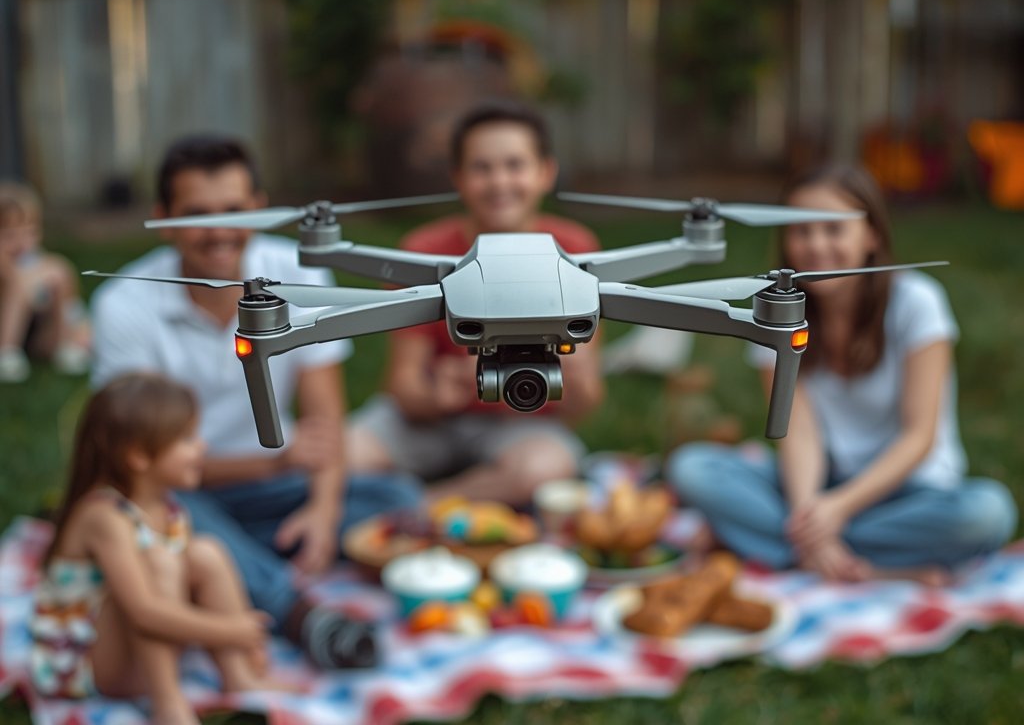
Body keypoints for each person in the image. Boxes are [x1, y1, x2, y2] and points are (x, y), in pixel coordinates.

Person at [91, 135, 421, 669]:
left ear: (260, 210)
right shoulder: (123, 303)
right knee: (155, 513)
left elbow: (325, 417)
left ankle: (228, 558)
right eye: (197, 215)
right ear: (164, 220)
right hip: (178, 489)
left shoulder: (298, 271)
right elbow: (143, 464)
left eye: (235, 211)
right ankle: (300, 615)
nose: (220, 231)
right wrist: (276, 463)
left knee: (397, 497)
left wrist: (323, 510)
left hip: (273, 489)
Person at [668, 163, 1017, 584]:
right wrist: (810, 513)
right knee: (692, 467)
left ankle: (780, 547)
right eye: (801, 230)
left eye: (834, 229)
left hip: (909, 491)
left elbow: (919, 437)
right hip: (818, 482)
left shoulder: (917, 302)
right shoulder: (773, 314)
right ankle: (872, 565)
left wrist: (838, 510)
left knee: (988, 512)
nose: (816, 245)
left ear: (872, 235)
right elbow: (799, 435)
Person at [346, 101, 606, 506]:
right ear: (459, 177)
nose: (499, 182)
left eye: (515, 165)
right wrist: (437, 394)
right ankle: (458, 498)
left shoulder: (576, 249)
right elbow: (403, 386)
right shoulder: (423, 252)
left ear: (545, 172)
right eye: (482, 167)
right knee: (344, 455)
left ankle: (418, 506)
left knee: (546, 468)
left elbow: (584, 401)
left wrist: (574, 374)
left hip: (522, 423)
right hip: (433, 422)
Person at [32, 373, 283, 725]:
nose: (201, 447)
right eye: (187, 438)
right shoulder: (104, 516)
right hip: (86, 666)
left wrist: (247, 645)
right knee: (161, 562)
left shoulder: (170, 508)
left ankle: (238, 675)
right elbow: (144, 612)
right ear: (138, 455)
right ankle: (169, 706)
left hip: (140, 654)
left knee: (205, 552)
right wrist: (231, 630)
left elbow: (191, 587)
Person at [0, 181, 91, 382]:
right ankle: (6, 352)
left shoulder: (36, 261)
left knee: (59, 271)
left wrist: (79, 328)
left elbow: (67, 305)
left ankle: (65, 347)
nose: (22, 243)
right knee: (20, 280)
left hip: (38, 333)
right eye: (9, 235)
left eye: (30, 232)